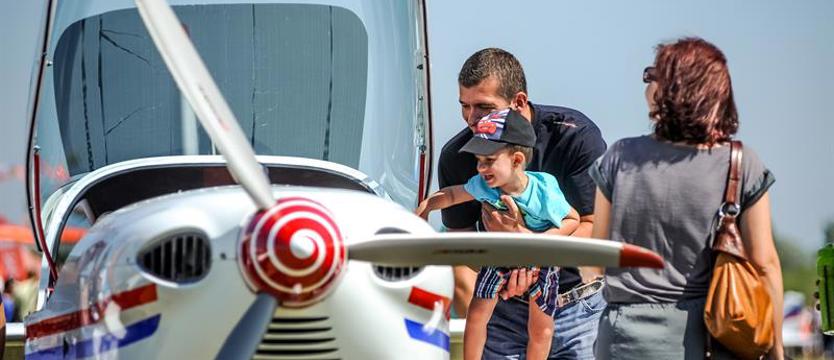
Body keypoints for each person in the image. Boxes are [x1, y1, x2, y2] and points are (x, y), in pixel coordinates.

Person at [589, 37, 784, 359]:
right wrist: (776, 351)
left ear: (673, 89)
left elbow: (595, 258)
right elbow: (765, 265)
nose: (647, 85)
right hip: (708, 338)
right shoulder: (742, 162)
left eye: (653, 76)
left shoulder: (619, 157)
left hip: (624, 338)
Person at [439, 48, 607, 359]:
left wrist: (531, 249)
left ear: (518, 102)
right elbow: (459, 251)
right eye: (465, 106)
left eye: (484, 107)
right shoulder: (456, 156)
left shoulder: (576, 137)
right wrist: (496, 283)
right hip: (503, 316)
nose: (472, 120)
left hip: (578, 311)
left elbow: (596, 228)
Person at [418, 108, 579, 360]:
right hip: (501, 256)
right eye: (478, 161)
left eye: (489, 160)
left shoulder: (543, 190)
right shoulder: (483, 186)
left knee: (541, 328)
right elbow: (452, 194)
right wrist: (427, 206)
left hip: (543, 262)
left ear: (516, 160)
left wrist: (539, 243)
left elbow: (573, 219)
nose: (481, 168)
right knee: (477, 313)